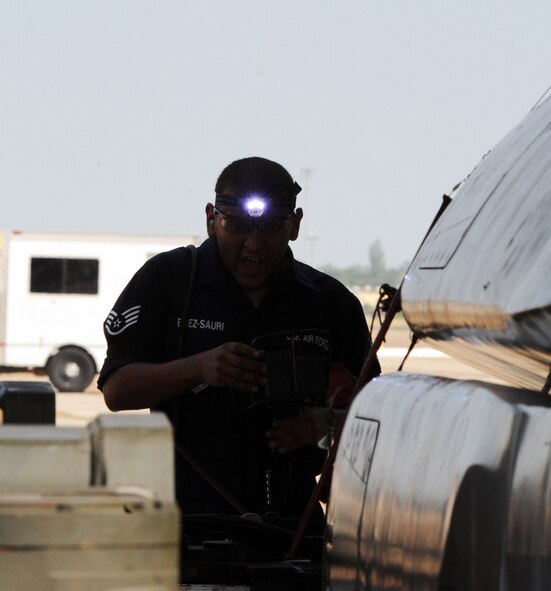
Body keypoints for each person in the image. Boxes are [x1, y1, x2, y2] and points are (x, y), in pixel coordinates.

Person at [99, 156, 378, 518]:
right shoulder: (168, 280)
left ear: (295, 225)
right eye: (238, 226)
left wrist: (325, 425)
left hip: (291, 531)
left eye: (271, 228)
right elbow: (116, 390)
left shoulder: (330, 302)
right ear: (211, 220)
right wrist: (199, 368)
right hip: (184, 525)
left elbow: (375, 416)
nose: (253, 246)